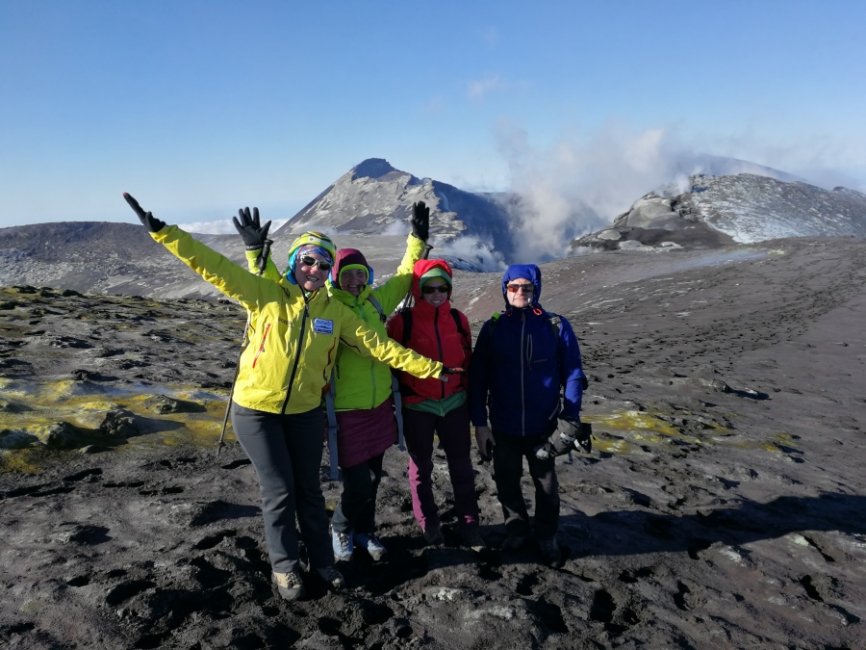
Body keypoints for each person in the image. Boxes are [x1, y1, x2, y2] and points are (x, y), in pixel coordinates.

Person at [123, 193, 457, 601]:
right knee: (280, 488)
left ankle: (322, 562)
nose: (314, 269)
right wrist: (162, 232)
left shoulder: (337, 312)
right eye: (307, 261)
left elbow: (380, 347)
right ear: (295, 263)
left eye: (321, 263)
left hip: (305, 411)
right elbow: (211, 266)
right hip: (257, 411)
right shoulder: (265, 294)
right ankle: (285, 568)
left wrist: (431, 367)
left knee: (310, 491)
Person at [234, 202, 432, 564]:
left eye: (360, 273)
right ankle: (341, 527)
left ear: (368, 276)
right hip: (345, 410)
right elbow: (274, 285)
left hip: (379, 407)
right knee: (356, 482)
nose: (354, 280)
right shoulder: (331, 308)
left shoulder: (374, 301)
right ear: (333, 277)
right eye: (346, 274)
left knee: (372, 478)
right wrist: (256, 253)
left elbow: (405, 275)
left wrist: (417, 239)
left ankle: (364, 531)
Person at [469, 263, 586, 567]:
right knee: (506, 480)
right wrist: (480, 424)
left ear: (536, 289)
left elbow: (573, 373)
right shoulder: (493, 328)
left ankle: (547, 535)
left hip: (544, 426)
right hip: (504, 426)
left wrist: (570, 417)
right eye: (513, 287)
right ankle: (516, 529)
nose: (520, 293)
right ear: (505, 290)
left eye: (527, 287)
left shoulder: (556, 326)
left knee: (546, 485)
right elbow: (478, 378)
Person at [387, 259, 484, 551]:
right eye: (429, 288)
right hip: (418, 406)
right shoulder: (401, 322)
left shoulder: (458, 319)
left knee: (462, 466)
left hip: (455, 403)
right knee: (420, 467)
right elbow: (391, 361)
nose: (437, 293)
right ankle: (429, 524)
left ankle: (470, 524)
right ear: (419, 289)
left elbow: (468, 359)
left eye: (443, 287)